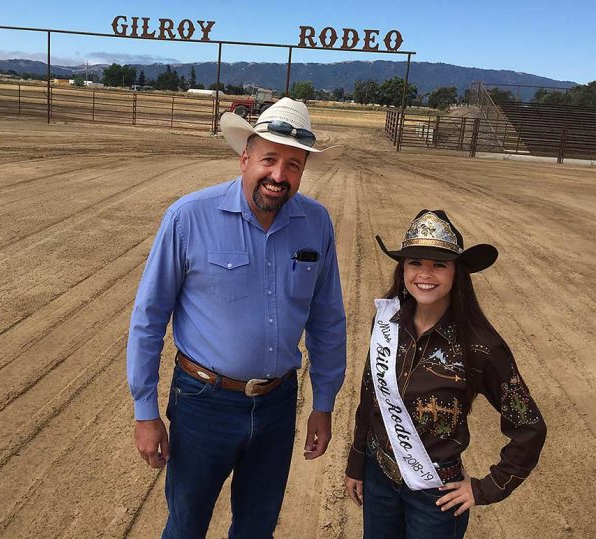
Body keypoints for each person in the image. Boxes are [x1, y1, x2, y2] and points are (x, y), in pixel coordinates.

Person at [126, 97, 347, 538]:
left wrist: (323, 403)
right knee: (186, 524)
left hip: (277, 405)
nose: (279, 176)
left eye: (294, 165)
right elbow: (149, 318)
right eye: (269, 159)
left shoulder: (316, 224)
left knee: (257, 528)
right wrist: (145, 411)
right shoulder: (189, 217)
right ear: (245, 157)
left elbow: (327, 322)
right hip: (202, 404)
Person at [344, 210, 547, 538]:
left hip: (436, 495)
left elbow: (529, 427)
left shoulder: (481, 346)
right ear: (403, 268)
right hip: (379, 476)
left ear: (457, 273)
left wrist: (486, 488)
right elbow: (371, 396)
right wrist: (356, 462)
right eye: (415, 262)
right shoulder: (386, 324)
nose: (425, 274)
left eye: (439, 264)